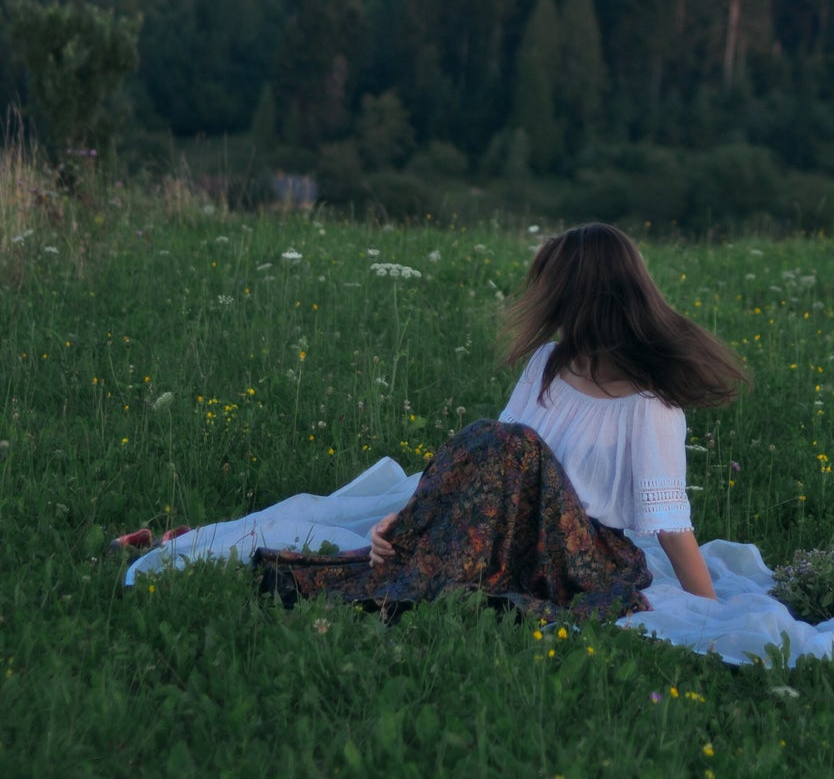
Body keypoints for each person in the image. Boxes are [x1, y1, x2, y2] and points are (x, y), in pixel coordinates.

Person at [253, 223, 749, 620]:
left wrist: (709, 611)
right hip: (516, 531)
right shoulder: (550, 364)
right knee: (493, 438)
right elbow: (488, 470)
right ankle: (408, 565)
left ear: (584, 299)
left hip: (586, 556)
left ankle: (409, 590)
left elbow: (671, 525)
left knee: (512, 444)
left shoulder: (649, 405)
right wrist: (407, 522)